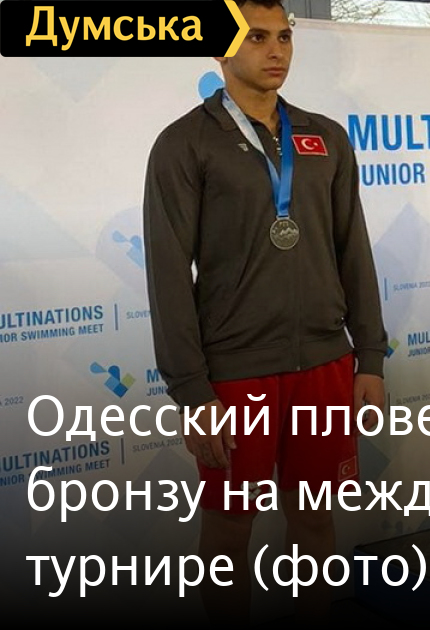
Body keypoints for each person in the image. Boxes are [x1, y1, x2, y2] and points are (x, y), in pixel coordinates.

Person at [142, 0, 387, 619]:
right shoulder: (183, 144)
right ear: (222, 50)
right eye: (256, 38)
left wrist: (370, 356)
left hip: (325, 362)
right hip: (236, 372)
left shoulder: (325, 137)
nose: (276, 50)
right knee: (229, 530)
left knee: (315, 520)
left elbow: (353, 251)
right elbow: (167, 278)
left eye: (283, 36)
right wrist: (192, 393)